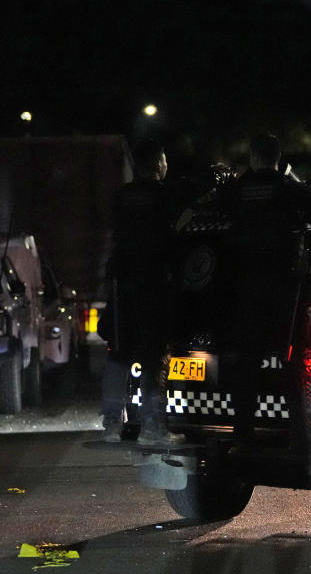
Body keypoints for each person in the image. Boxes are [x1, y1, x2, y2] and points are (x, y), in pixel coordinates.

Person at [228, 134, 311, 441]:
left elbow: (218, 208)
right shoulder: (290, 190)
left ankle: (243, 434)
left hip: (247, 289)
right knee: (295, 362)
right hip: (287, 291)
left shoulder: (237, 190)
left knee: (246, 364)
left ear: (254, 158)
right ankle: (302, 435)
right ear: (278, 159)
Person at [104, 138, 184, 446]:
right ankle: (154, 426)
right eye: (163, 160)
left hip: (123, 284)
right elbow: (174, 238)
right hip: (153, 285)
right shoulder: (165, 196)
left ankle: (111, 423)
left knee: (119, 354)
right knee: (155, 359)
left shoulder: (122, 196)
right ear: (158, 164)